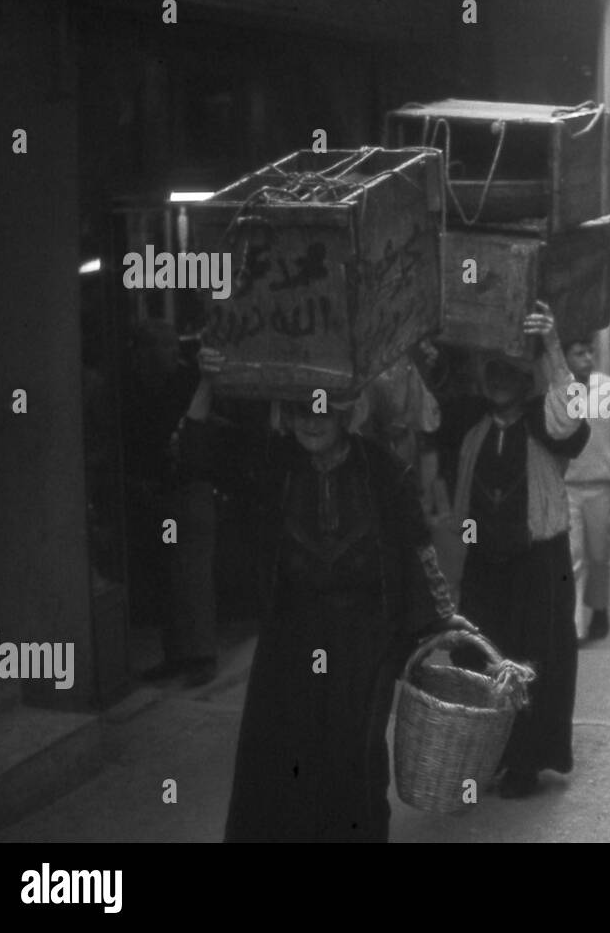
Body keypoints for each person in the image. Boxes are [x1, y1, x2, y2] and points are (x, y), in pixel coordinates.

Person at [180, 349, 473, 841]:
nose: (310, 422)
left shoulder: (383, 472)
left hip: (365, 644)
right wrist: (209, 382)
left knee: (353, 762)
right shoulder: (273, 463)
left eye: (321, 410)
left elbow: (416, 549)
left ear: (344, 412)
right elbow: (194, 453)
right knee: (285, 760)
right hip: (291, 642)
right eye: (299, 411)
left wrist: (441, 621)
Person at [428, 302, 590, 798]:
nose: (499, 380)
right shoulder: (469, 423)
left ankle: (525, 762)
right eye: (492, 371)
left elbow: (569, 413)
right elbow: (421, 408)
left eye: (511, 372)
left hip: (537, 563)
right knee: (480, 658)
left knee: (532, 660)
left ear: (527, 380)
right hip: (483, 564)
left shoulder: (545, 423)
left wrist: (552, 345)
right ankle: (488, 755)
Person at [124, 320, 218, 688]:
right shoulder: (134, 387)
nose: (171, 353)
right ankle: (177, 653)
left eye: (171, 345)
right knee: (168, 573)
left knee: (193, 572)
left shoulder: (187, 382)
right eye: (161, 346)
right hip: (157, 491)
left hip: (189, 488)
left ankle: (202, 655)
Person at [562, 336, 610, 644]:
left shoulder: (606, 388)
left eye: (590, 351)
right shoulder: (557, 390)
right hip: (566, 486)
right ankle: (575, 625)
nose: (587, 357)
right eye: (579, 351)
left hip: (600, 486)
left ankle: (601, 609)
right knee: (573, 555)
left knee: (599, 553)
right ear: (565, 357)